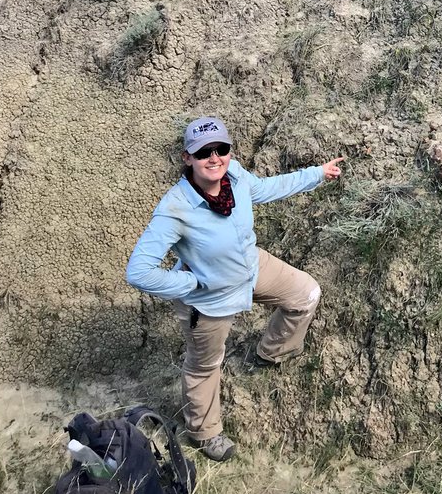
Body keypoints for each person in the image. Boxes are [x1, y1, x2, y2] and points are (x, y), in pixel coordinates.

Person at [126, 116, 344, 462]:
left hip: (251, 267)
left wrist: (316, 174)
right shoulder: (175, 209)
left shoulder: (236, 176)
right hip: (209, 300)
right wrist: (191, 281)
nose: (214, 158)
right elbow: (138, 271)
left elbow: (266, 188)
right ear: (187, 158)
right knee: (205, 365)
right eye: (203, 153)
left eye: (221, 149)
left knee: (306, 293)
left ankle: (272, 352)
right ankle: (204, 432)